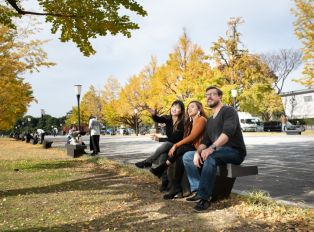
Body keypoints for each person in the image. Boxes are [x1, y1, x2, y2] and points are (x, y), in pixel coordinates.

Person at [182, 86, 246, 212]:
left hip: (234, 152)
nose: (209, 97)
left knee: (210, 156)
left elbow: (228, 132)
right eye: (206, 95)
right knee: (188, 156)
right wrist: (197, 153)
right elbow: (205, 141)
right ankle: (197, 190)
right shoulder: (210, 120)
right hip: (218, 152)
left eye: (212, 94)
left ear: (220, 97)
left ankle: (205, 200)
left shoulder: (229, 111)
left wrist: (212, 148)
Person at [149, 101, 208, 199]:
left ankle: (161, 167)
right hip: (192, 149)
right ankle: (176, 187)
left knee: (181, 148)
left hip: (201, 149)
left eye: (192, 107)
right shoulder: (189, 123)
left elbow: (192, 138)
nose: (189, 109)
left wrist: (175, 146)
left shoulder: (201, 119)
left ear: (199, 109)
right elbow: (187, 139)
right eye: (188, 107)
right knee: (180, 157)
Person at [135, 100, 185, 192]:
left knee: (165, 144)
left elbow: (176, 139)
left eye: (177, 108)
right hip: (169, 145)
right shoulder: (168, 118)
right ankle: (164, 183)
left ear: (181, 111)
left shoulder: (182, 122)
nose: (174, 109)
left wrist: (159, 139)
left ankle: (149, 161)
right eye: (173, 106)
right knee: (163, 156)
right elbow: (158, 119)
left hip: (179, 146)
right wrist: (154, 114)